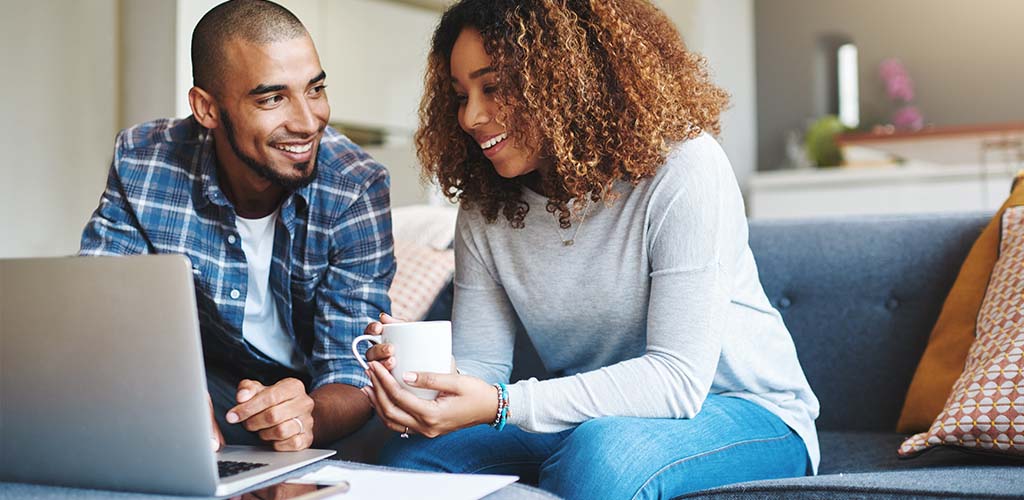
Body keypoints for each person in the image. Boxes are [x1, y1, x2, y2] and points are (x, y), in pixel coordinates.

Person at [360, 0, 820, 497]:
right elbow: (482, 371)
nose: (471, 116)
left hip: (745, 410)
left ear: (564, 78)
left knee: (602, 458)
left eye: (492, 87)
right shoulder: (485, 204)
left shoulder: (685, 168)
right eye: (460, 94)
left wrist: (500, 405)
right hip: (594, 419)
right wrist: (425, 383)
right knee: (413, 456)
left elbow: (676, 380)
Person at [80, 0, 393, 453]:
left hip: (317, 395)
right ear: (206, 108)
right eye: (272, 98)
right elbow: (100, 308)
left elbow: (351, 366)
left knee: (386, 422)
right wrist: (172, 393)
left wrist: (306, 417)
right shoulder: (145, 161)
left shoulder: (356, 186)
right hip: (207, 383)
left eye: (315, 90)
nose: (308, 122)